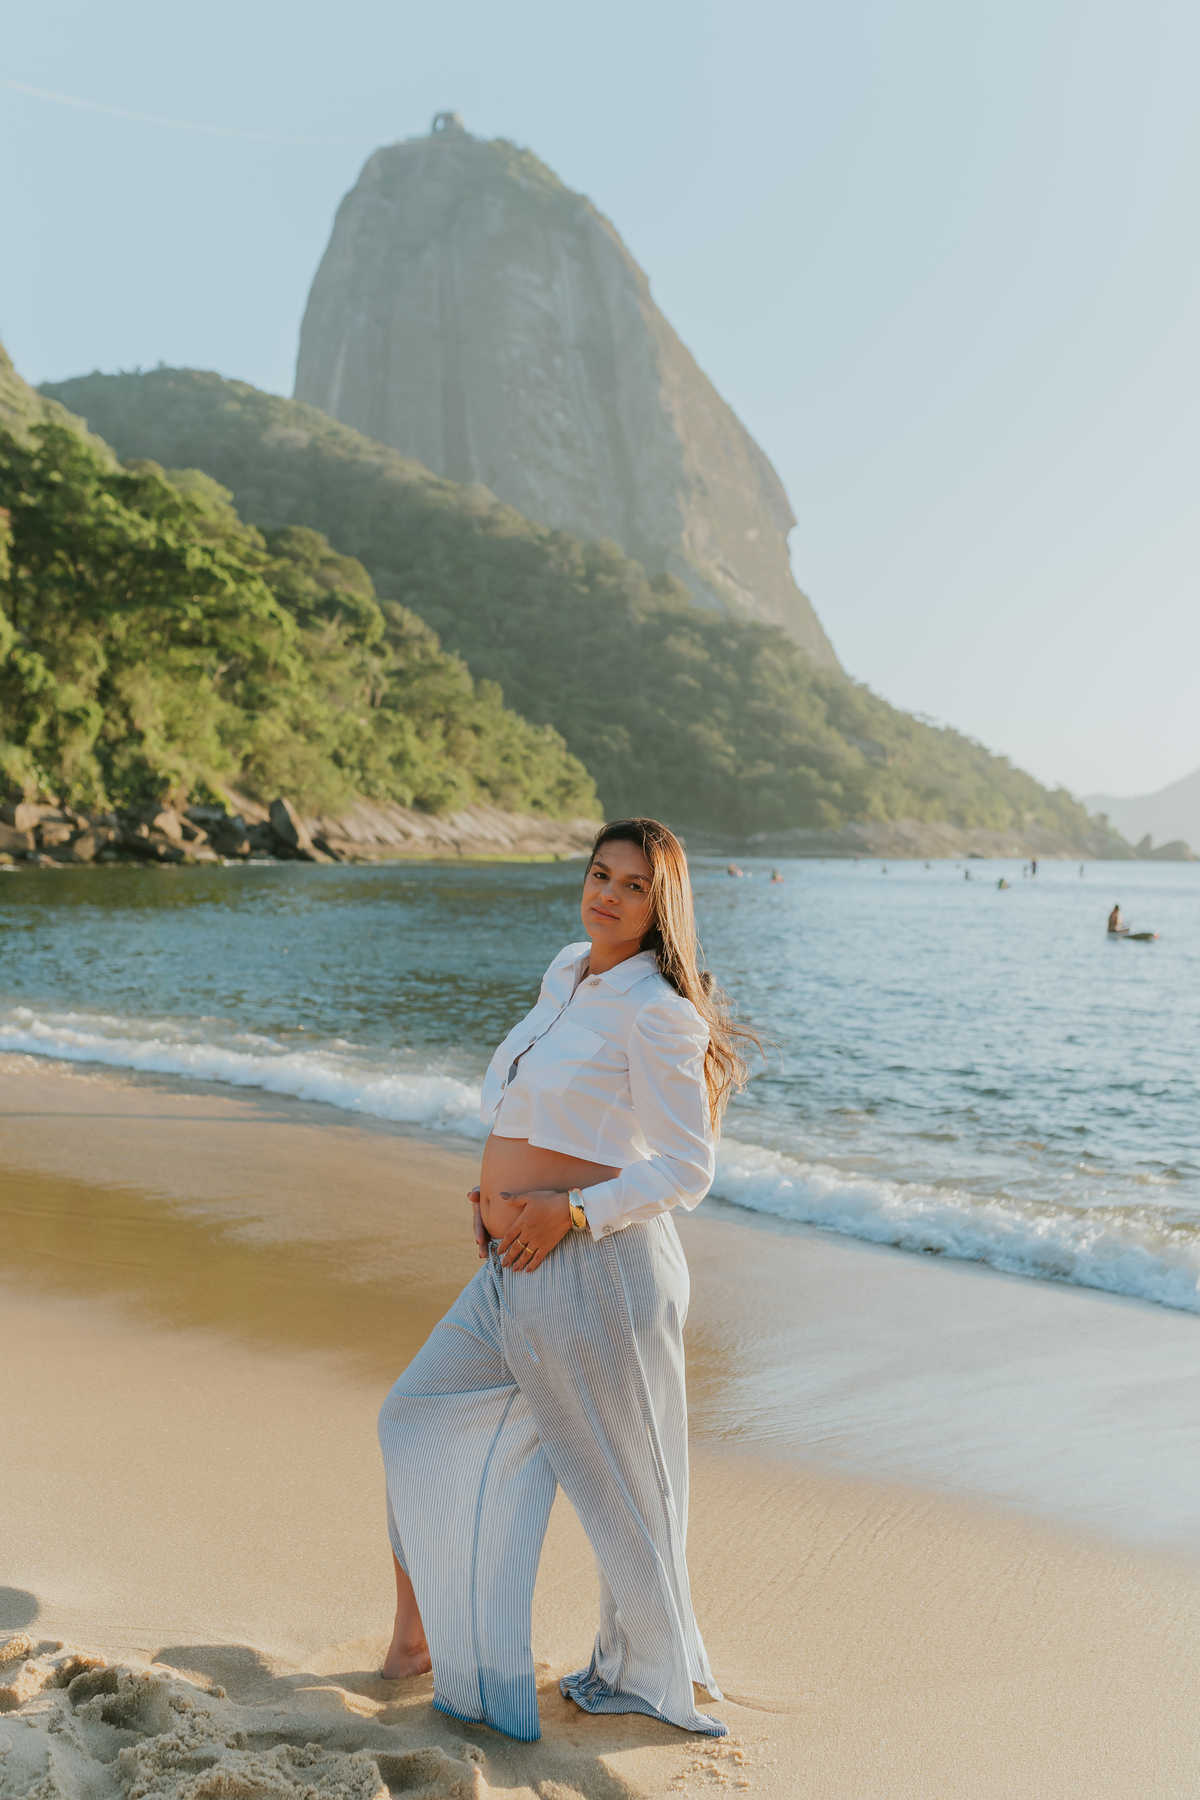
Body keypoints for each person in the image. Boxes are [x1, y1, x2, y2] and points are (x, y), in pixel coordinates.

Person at [377, 818, 757, 1743]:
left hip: (598, 1267)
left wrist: (569, 1212)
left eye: (632, 886)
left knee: (621, 1488)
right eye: (599, 874)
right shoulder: (565, 973)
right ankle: (419, 1641)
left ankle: (649, 1677)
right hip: (519, 1256)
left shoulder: (658, 1010)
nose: (608, 895)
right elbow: (537, 1108)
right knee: (413, 1414)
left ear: (660, 906)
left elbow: (684, 1169)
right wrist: (494, 1193)